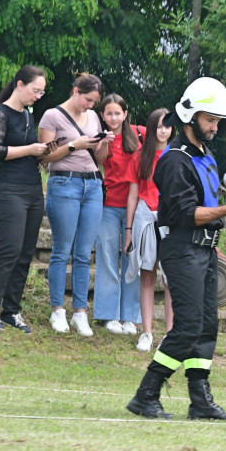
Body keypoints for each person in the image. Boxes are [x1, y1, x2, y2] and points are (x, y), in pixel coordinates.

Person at [126, 77, 226, 420]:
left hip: (205, 250)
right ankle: (146, 394)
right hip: (183, 248)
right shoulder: (174, 160)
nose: (214, 127)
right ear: (190, 117)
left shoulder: (207, 155)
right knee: (186, 327)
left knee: (206, 327)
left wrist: (223, 212)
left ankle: (199, 400)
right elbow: (186, 214)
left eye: (217, 121)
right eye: (209, 120)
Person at [38, 73, 114, 336]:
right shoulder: (52, 116)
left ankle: (80, 311)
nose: (90, 106)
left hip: (92, 185)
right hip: (64, 184)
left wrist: (102, 143)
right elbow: (45, 157)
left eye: (94, 102)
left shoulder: (93, 117)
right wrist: (74, 145)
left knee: (84, 253)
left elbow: (99, 159)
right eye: (88, 100)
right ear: (75, 92)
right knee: (62, 250)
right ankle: (57, 309)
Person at [0, 65, 51, 332]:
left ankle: (11, 310)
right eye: (36, 90)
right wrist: (30, 148)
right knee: (10, 251)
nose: (39, 95)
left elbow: (28, 153)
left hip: (33, 188)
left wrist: (45, 151)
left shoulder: (27, 115)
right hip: (8, 188)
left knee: (25, 253)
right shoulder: (0, 113)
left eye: (42, 91)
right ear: (20, 84)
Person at [125, 108, 175, 351]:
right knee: (147, 275)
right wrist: (128, 230)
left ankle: (170, 334)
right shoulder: (140, 157)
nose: (163, 131)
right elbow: (133, 195)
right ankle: (146, 332)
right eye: (159, 126)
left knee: (170, 279)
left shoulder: (177, 156)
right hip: (145, 220)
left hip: (171, 220)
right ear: (151, 128)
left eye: (168, 126)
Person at [94, 93, 145, 336]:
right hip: (109, 205)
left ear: (125, 114)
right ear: (102, 115)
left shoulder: (140, 133)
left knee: (132, 261)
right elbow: (98, 160)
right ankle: (108, 314)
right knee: (106, 258)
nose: (113, 118)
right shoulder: (101, 136)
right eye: (109, 113)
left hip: (137, 206)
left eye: (118, 113)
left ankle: (130, 317)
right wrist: (104, 141)